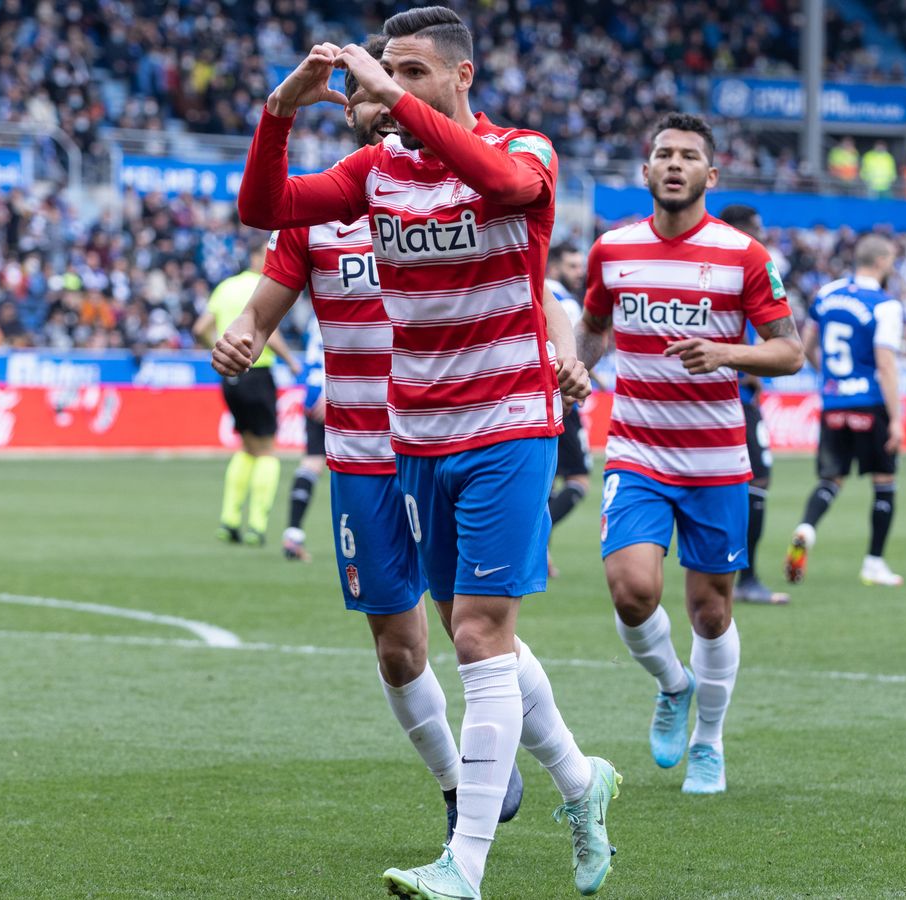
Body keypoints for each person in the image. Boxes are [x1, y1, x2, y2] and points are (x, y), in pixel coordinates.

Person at [233, 9, 618, 897]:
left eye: (411, 71)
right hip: (413, 437)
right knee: (463, 631)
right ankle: (579, 779)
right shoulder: (375, 173)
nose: (392, 88)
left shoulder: (528, 151)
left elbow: (499, 184)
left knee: (480, 635)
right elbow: (264, 207)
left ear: (463, 76)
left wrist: (391, 101)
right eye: (386, 71)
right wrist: (279, 111)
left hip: (509, 425)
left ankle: (465, 863)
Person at [212, 36, 524, 848]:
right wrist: (244, 333)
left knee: (476, 627)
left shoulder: (474, 179)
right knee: (398, 649)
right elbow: (263, 281)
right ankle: (464, 785)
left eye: (389, 83)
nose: (369, 98)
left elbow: (518, 222)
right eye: (359, 89)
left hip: (454, 434)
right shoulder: (325, 210)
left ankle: (562, 772)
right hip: (360, 449)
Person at [576, 113, 802, 795]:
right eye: (663, 154)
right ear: (646, 172)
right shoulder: (612, 250)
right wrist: (575, 371)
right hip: (638, 450)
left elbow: (790, 350)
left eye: (688, 156)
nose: (674, 164)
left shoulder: (745, 255)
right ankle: (675, 686)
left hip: (714, 462)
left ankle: (709, 740)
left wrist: (727, 352)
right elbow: (591, 330)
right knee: (632, 590)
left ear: (711, 174)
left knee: (711, 611)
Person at [785, 234, 906, 588]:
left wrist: (831, 378)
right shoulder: (885, 305)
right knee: (884, 483)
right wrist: (896, 418)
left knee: (830, 479)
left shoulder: (827, 294)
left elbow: (805, 346)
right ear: (882, 261)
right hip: (870, 401)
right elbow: (886, 364)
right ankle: (873, 563)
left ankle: (806, 529)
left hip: (834, 400)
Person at [194, 242, 301, 547]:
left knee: (246, 447)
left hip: (230, 379)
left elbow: (201, 327)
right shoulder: (262, 285)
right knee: (267, 450)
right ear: (257, 257)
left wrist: (219, 351)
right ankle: (256, 525)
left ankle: (229, 520)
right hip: (258, 372)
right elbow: (271, 331)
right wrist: (292, 362)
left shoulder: (225, 287)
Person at [716, 203, 790, 606]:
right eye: (758, 228)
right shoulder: (740, 269)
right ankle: (746, 578)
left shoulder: (727, 270)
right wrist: (749, 367)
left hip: (735, 395)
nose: (763, 235)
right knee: (756, 480)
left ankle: (732, 572)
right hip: (735, 400)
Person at [545, 242, 592, 576]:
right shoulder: (564, 304)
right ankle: (535, 540)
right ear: (555, 266)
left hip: (528, 401)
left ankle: (538, 551)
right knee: (578, 480)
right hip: (560, 400)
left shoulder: (531, 289)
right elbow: (571, 357)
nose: (579, 272)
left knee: (542, 484)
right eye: (573, 266)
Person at [281, 314, 326, 562]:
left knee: (312, 462)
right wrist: (331, 391)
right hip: (338, 392)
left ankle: (293, 535)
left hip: (312, 391)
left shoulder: (313, 315)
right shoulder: (341, 301)